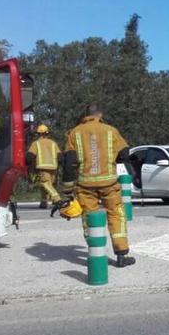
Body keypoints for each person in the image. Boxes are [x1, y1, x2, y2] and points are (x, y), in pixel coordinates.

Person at [60, 105, 136, 267]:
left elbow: (69, 164)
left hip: (85, 185)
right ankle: (121, 254)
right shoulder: (111, 130)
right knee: (116, 215)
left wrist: (67, 191)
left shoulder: (75, 133)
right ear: (99, 114)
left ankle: (95, 253)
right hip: (109, 183)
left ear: (85, 115)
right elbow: (124, 154)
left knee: (89, 218)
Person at [26, 124, 61, 209]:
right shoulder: (53, 143)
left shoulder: (36, 143)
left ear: (38, 134)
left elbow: (30, 156)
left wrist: (28, 165)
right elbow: (60, 156)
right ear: (47, 133)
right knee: (47, 185)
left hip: (42, 167)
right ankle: (44, 202)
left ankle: (57, 200)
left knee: (45, 184)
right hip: (53, 167)